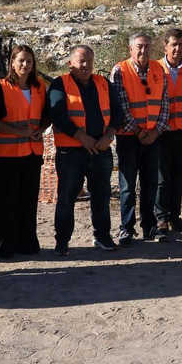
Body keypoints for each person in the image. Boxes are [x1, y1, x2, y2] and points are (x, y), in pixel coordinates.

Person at [50, 44, 123, 255]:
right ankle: (62, 241)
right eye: (81, 61)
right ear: (70, 63)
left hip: (101, 151)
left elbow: (118, 113)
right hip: (70, 153)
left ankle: (102, 236)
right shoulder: (59, 84)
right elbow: (58, 116)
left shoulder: (103, 83)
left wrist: (108, 137)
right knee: (67, 197)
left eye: (89, 61)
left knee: (101, 196)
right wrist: (82, 137)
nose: (86, 65)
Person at [0, 44, 49, 259]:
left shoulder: (39, 87)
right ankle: (5, 246)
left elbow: (46, 116)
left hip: (32, 154)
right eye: (21, 60)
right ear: (12, 63)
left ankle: (27, 243)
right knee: (7, 202)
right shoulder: (1, 87)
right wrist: (17, 131)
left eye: (29, 61)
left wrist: (40, 129)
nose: (25, 65)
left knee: (28, 200)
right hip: (8, 156)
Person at [109, 32, 169, 243]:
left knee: (150, 183)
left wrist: (155, 131)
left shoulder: (159, 70)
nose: (143, 51)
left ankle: (149, 226)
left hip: (152, 138)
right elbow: (121, 107)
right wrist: (139, 131)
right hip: (128, 137)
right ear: (130, 49)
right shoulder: (120, 70)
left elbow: (164, 105)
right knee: (127, 186)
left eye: (147, 46)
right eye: (139, 47)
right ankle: (126, 227)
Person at [155, 29, 182, 239]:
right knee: (162, 178)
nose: (177, 49)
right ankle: (160, 217)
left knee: (178, 177)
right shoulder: (156, 68)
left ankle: (174, 216)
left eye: (180, 44)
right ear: (165, 46)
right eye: (173, 44)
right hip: (163, 131)